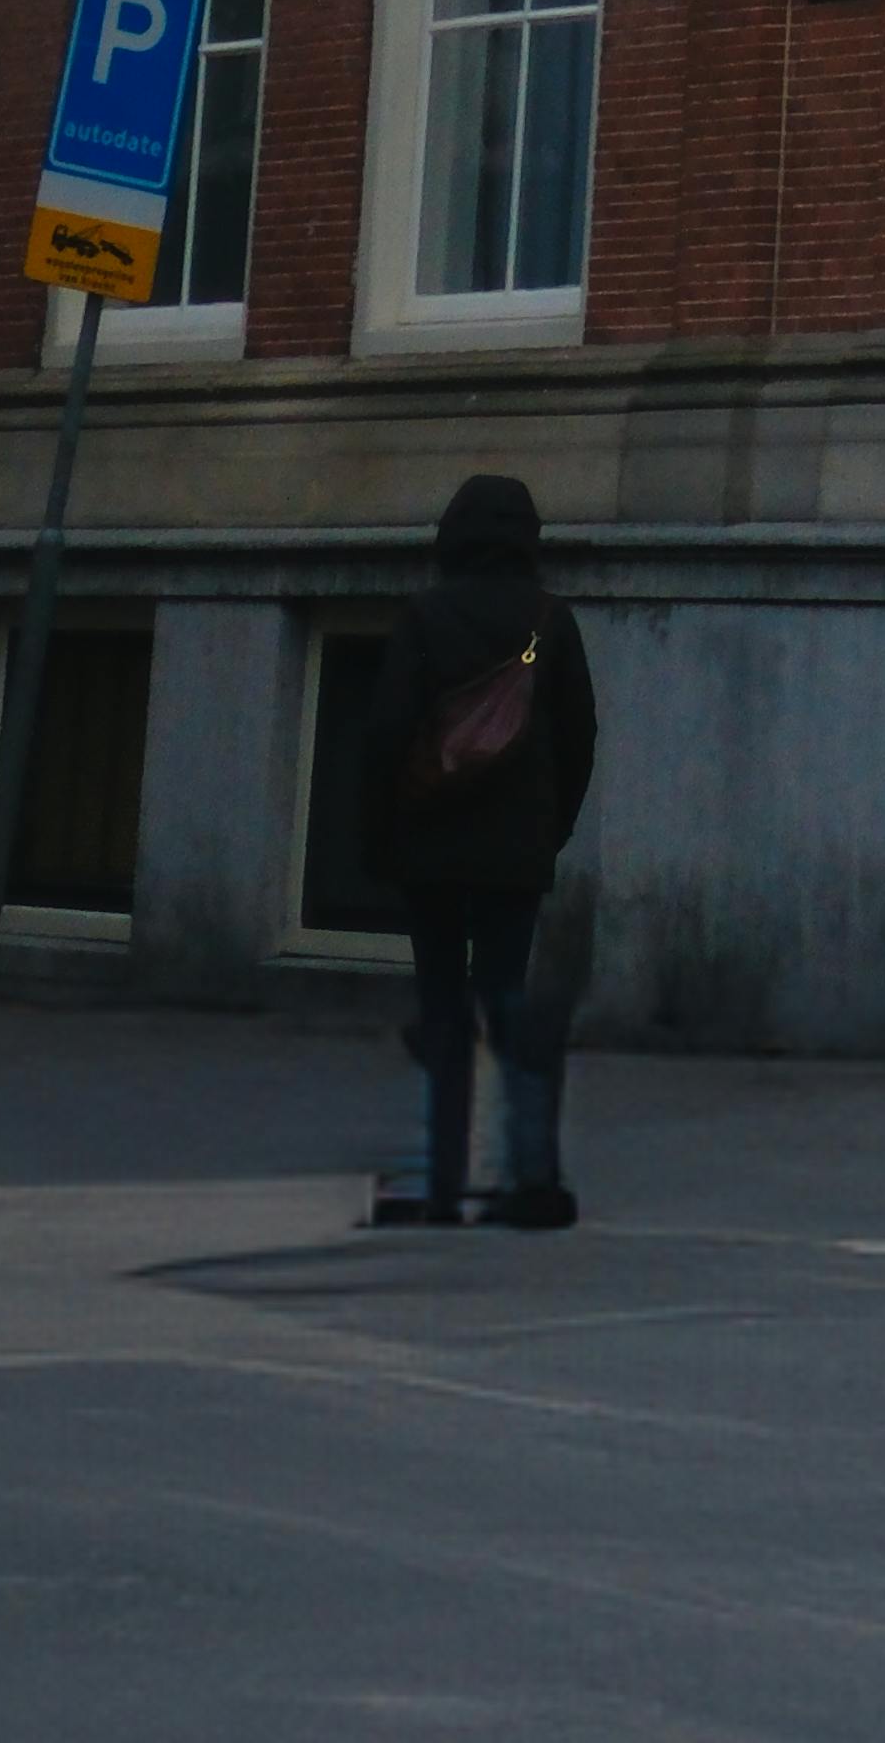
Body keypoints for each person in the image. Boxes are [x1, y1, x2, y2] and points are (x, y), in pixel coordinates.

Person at [357, 469, 599, 1231]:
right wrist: (550, 830)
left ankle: (443, 1182)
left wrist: (379, 835)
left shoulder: (425, 616)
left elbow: (386, 733)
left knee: (442, 1007)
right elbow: (580, 737)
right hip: (514, 853)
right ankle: (526, 1176)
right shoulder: (550, 621)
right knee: (506, 1002)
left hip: (430, 847)